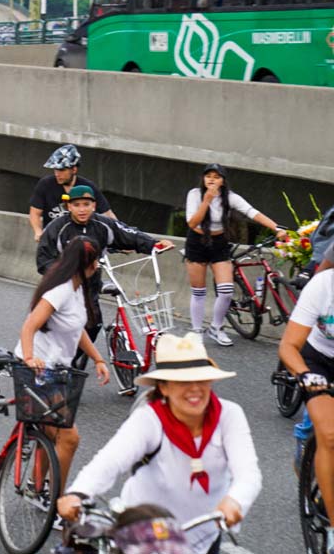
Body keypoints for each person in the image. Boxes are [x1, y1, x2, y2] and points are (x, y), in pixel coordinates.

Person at [60, 332, 261, 554]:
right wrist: (78, 493)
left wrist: (235, 501)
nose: (195, 388)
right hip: (144, 534)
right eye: (183, 381)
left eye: (201, 379)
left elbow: (248, 472)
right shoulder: (150, 418)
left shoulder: (229, 415)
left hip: (204, 534)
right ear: (163, 387)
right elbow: (110, 460)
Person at [17, 237, 112, 483]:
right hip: (38, 370)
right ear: (85, 265)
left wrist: (98, 358)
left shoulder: (76, 286)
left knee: (51, 432)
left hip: (56, 370)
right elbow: (29, 327)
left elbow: (76, 328)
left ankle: (36, 487)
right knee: (69, 438)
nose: (98, 266)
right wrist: (29, 358)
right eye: (96, 261)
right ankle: (56, 505)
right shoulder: (59, 291)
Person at [37, 185, 173, 349]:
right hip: (63, 283)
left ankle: (74, 361)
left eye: (86, 205)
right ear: (69, 206)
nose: (82, 209)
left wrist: (153, 244)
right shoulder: (57, 228)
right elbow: (43, 260)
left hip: (91, 282)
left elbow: (129, 234)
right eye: (77, 205)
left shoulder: (103, 224)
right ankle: (58, 360)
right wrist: (65, 273)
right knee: (65, 324)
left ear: (94, 205)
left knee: (93, 325)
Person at [185, 163, 288, 347]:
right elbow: (192, 223)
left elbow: (252, 212)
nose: (212, 179)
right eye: (208, 176)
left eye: (216, 177)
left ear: (223, 181)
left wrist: (276, 227)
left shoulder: (229, 197)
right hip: (197, 242)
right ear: (203, 178)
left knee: (226, 291)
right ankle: (197, 330)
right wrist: (207, 200)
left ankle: (216, 328)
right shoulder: (194, 194)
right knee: (199, 291)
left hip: (219, 243)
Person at [281, 257, 334, 551]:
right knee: (329, 435)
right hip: (319, 362)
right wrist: (305, 376)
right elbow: (288, 345)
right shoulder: (323, 285)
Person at [29, 144, 115, 240]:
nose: (57, 174)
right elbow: (35, 213)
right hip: (54, 240)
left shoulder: (87, 187)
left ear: (74, 169)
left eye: (61, 170)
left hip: (82, 240)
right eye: (55, 170)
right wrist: (38, 232)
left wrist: (120, 237)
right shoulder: (45, 185)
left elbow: (107, 214)